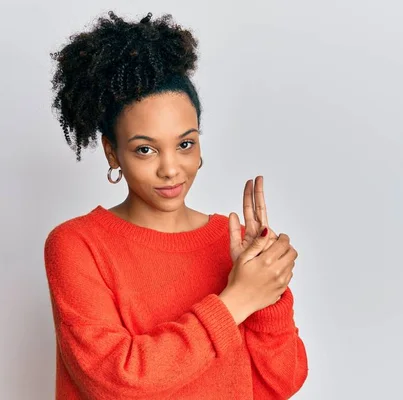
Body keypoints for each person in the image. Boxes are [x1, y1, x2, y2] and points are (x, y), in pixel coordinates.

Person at [44, 11, 308, 399]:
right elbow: (118, 380)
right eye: (145, 149)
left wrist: (269, 292)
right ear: (112, 152)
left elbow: (281, 384)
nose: (171, 169)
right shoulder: (77, 245)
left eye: (185, 143)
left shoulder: (229, 241)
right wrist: (237, 299)